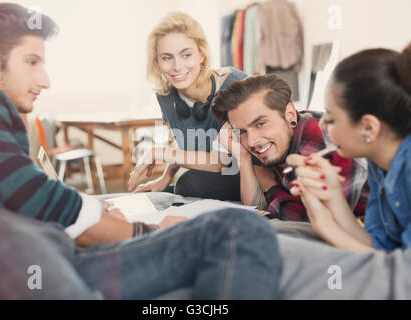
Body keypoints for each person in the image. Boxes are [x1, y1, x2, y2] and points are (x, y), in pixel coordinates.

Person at [0, 3, 281, 299]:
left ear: (201, 54)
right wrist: (143, 229)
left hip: (55, 252)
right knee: (234, 228)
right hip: (50, 259)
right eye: (32, 62)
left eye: (185, 54)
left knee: (194, 197)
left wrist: (99, 210)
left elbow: (21, 193)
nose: (45, 80)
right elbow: (29, 193)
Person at [278, 43, 411, 299]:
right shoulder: (379, 162)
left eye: (331, 117)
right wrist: (332, 196)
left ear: (368, 128)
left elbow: (402, 279)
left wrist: (325, 225)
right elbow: (377, 247)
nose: (322, 124)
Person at [211, 74, 370, 221]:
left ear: (290, 114)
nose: (252, 141)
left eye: (260, 124)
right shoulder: (278, 140)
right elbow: (255, 211)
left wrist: (271, 187)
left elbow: (317, 224)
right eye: (242, 131)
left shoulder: (320, 144)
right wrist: (243, 160)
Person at [127, 12, 247, 201]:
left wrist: (159, 153)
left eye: (186, 55)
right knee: (165, 193)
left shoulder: (234, 86)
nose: (177, 66)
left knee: (189, 184)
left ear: (201, 54)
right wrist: (165, 177)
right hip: (214, 173)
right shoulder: (165, 95)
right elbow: (184, 140)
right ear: (156, 62)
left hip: (247, 171)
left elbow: (221, 162)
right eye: (167, 57)